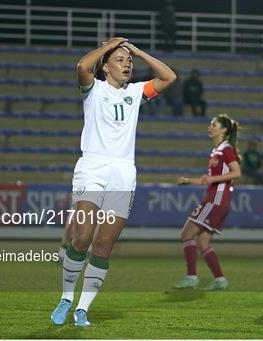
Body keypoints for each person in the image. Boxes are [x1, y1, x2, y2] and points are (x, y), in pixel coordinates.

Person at [50, 37, 176, 327]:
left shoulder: (135, 92)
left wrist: (137, 51)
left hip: (123, 173)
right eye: (120, 60)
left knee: (104, 245)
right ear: (105, 66)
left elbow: (169, 77)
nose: (127, 64)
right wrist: (110, 46)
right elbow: (82, 65)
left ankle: (82, 309)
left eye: (128, 61)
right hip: (92, 167)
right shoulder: (93, 89)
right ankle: (66, 298)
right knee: (82, 237)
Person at [172, 114, 241, 291]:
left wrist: (213, 178)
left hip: (215, 200)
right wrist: (189, 181)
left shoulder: (226, 149)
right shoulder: (216, 151)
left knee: (186, 233)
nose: (210, 127)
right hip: (218, 200)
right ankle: (220, 280)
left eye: (213, 125)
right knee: (203, 242)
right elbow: (209, 180)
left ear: (223, 130)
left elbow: (236, 173)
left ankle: (191, 277)